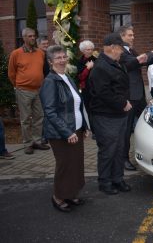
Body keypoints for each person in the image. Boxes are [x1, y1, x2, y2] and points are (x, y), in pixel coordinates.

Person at [39, 45, 89, 213]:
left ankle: (71, 193)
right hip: (61, 133)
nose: (62, 60)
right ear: (50, 61)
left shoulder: (67, 77)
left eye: (64, 57)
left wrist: (84, 127)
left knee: (75, 164)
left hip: (76, 129)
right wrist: (67, 132)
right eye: (58, 58)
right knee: (65, 165)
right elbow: (50, 112)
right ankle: (58, 197)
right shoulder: (50, 82)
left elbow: (77, 105)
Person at [88, 32, 132, 195]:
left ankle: (117, 179)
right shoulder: (101, 66)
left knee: (119, 149)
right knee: (108, 150)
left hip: (118, 115)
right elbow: (103, 93)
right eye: (120, 48)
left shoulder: (113, 63)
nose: (122, 51)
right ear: (112, 48)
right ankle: (105, 182)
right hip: (106, 116)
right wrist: (122, 103)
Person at [118, 25, 153, 171]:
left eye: (133, 35)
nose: (133, 37)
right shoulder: (120, 52)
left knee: (149, 124)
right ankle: (123, 159)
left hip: (139, 96)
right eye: (129, 35)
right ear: (122, 36)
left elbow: (146, 61)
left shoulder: (131, 51)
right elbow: (138, 61)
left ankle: (152, 153)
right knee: (126, 131)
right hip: (128, 98)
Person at [8, 28, 50, 154]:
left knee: (39, 117)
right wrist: (17, 86)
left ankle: (37, 141)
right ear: (24, 38)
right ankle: (27, 143)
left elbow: (43, 70)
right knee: (26, 118)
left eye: (34, 36)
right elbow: (11, 73)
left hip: (39, 90)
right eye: (30, 36)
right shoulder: (16, 53)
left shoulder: (40, 53)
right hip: (23, 90)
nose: (32, 38)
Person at [77, 40, 96, 131]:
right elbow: (80, 77)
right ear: (83, 50)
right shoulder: (80, 61)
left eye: (91, 49)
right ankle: (93, 129)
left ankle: (98, 128)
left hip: (96, 88)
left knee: (97, 109)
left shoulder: (96, 59)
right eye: (87, 49)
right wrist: (88, 68)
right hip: (86, 89)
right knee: (89, 109)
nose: (90, 51)